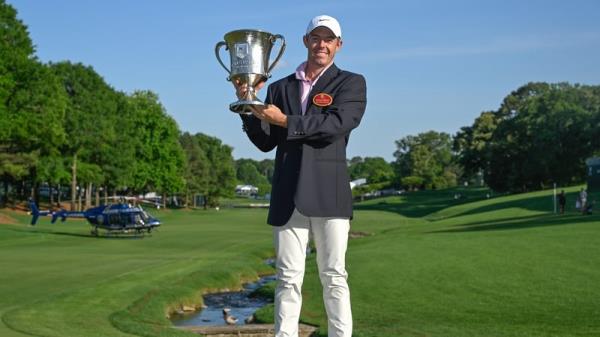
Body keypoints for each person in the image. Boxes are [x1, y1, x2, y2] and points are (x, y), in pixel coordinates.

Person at [235, 15, 366, 337]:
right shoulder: (280, 87)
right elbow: (265, 142)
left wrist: (285, 121)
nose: (321, 44)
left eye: (328, 39)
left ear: (338, 45)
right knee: (287, 277)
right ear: (305, 41)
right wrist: (248, 103)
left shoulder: (350, 83)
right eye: (315, 38)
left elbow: (335, 127)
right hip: (288, 194)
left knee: (333, 275)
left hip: (329, 195)